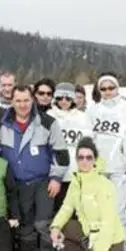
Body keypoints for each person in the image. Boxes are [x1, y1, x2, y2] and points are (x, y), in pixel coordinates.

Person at [0, 85, 69, 251]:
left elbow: (61, 153)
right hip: (16, 183)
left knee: (43, 222)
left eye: (26, 100)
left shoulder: (47, 122)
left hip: (42, 181)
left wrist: (56, 178)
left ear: (33, 100)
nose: (22, 105)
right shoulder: (2, 124)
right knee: (24, 222)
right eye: (18, 100)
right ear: (11, 101)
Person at [49, 138, 126, 251]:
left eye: (89, 157)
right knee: (65, 227)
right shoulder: (77, 181)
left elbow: (108, 225)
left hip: (110, 239)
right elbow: (67, 207)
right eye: (80, 157)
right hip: (89, 233)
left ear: (95, 160)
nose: (84, 161)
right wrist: (55, 227)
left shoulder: (104, 185)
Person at [87, 73, 126, 240]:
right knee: (98, 209)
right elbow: (87, 139)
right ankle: (100, 245)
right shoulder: (93, 110)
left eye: (111, 88)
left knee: (119, 210)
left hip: (119, 167)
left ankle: (124, 246)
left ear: (117, 88)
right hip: (98, 168)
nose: (107, 91)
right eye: (103, 89)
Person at [47, 82, 93, 213]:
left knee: (75, 209)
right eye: (60, 98)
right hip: (55, 172)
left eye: (68, 98)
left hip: (76, 170)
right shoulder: (49, 116)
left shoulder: (83, 117)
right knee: (57, 209)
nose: (64, 101)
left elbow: (88, 144)